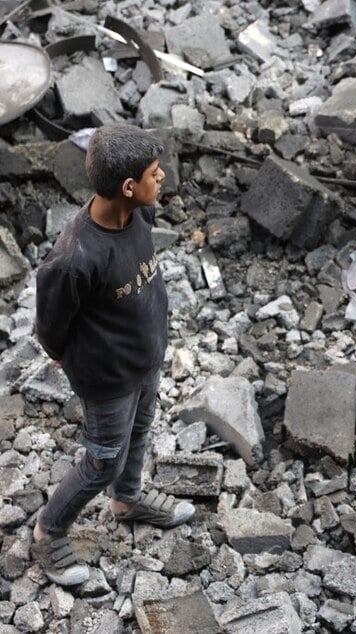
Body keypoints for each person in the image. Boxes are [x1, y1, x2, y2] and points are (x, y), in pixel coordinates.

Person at [32, 124, 194, 586]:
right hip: (107, 378)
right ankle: (49, 531)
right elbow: (51, 325)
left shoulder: (138, 215)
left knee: (139, 433)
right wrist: (67, 356)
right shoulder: (76, 256)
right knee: (103, 460)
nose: (161, 177)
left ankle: (128, 501)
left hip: (144, 359)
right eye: (153, 173)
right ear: (128, 187)